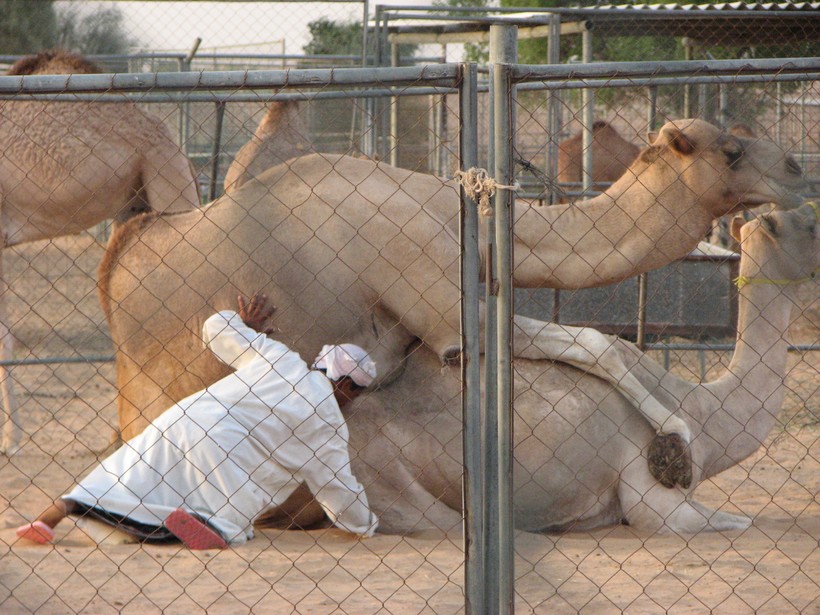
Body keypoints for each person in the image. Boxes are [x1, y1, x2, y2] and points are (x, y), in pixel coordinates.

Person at [16, 293, 378, 549]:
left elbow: (216, 328)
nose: (353, 401)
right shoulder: (329, 425)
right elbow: (339, 492)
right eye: (356, 392)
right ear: (344, 384)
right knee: (227, 513)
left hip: (184, 421)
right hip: (228, 455)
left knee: (122, 478)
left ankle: (55, 514)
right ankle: (212, 526)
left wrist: (245, 325)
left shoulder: (279, 358)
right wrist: (363, 525)